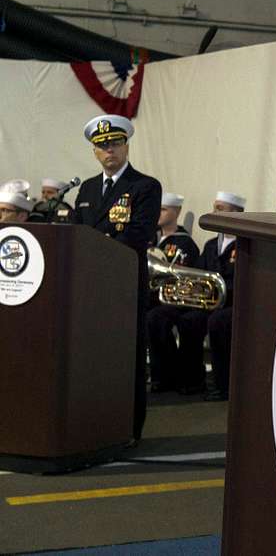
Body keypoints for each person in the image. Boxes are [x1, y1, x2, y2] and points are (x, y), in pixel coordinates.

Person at [72, 114, 161, 442]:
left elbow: (138, 234)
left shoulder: (144, 186)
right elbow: (74, 235)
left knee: (126, 358)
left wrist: (96, 248)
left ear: (126, 145)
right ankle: (93, 423)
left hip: (123, 286)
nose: (109, 150)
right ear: (94, 152)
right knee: (92, 357)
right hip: (88, 288)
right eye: (102, 146)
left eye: (115, 143)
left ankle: (128, 428)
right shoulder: (88, 188)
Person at [177, 191, 244, 400]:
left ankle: (222, 384)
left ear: (238, 214)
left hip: (233, 304)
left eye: (220, 208)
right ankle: (192, 380)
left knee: (218, 323)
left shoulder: (245, 246)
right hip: (212, 303)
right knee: (188, 320)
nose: (214, 212)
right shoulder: (210, 245)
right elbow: (199, 274)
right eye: (214, 207)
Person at [145, 193, 201, 393]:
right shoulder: (150, 237)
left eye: (163, 209)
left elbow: (188, 277)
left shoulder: (185, 244)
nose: (158, 214)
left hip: (173, 300)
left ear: (176, 212)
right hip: (150, 296)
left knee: (156, 319)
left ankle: (166, 374)